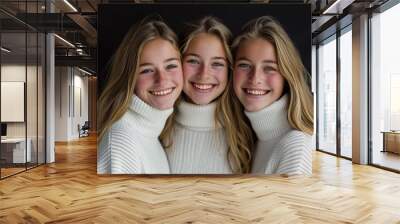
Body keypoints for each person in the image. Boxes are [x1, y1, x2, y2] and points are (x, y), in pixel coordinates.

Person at [160, 16, 254, 174]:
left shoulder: (245, 132)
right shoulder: (157, 125)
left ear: (230, 70)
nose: (204, 75)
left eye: (217, 64)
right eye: (193, 61)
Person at [97, 17, 183, 174]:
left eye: (170, 66)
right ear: (129, 77)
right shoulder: (120, 142)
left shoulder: (151, 133)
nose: (162, 79)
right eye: (147, 70)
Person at [232, 16, 314, 175]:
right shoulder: (257, 140)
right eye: (244, 65)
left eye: (269, 68)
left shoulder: (295, 146)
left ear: (287, 75)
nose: (255, 78)